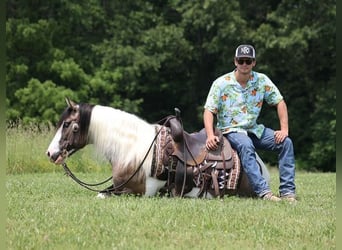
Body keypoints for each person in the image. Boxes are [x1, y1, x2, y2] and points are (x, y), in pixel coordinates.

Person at [203, 44, 296, 202]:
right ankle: (264, 192)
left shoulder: (262, 80)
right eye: (241, 60)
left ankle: (287, 192)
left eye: (248, 61)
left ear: (254, 62)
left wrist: (284, 129)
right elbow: (209, 110)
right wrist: (210, 135)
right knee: (246, 145)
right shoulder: (221, 83)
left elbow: (279, 102)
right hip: (230, 130)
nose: (244, 64)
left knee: (286, 143)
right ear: (235, 62)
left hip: (254, 130)